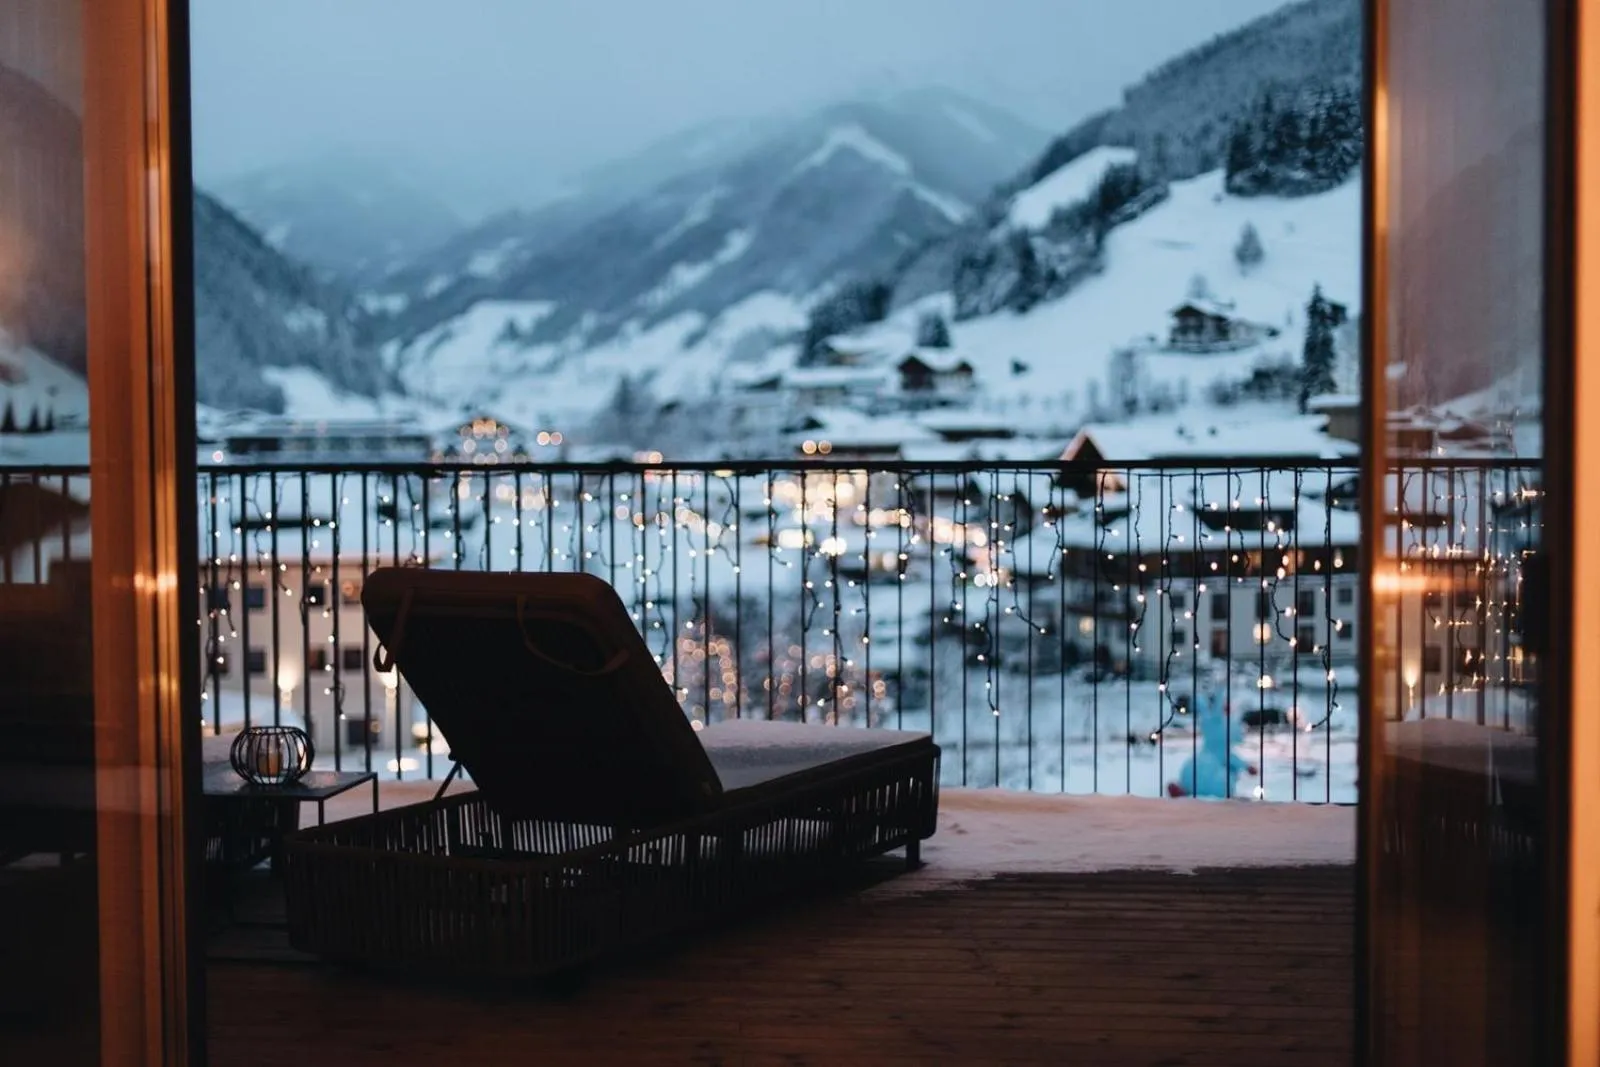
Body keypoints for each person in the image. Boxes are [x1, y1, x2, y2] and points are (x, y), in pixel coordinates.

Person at [1167, 689, 1259, 798]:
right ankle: (1220, 794)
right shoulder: (1221, 746)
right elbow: (1231, 759)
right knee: (1223, 778)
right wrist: (1247, 767)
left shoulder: (1212, 743)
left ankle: (1186, 789)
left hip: (1198, 767)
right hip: (1214, 778)